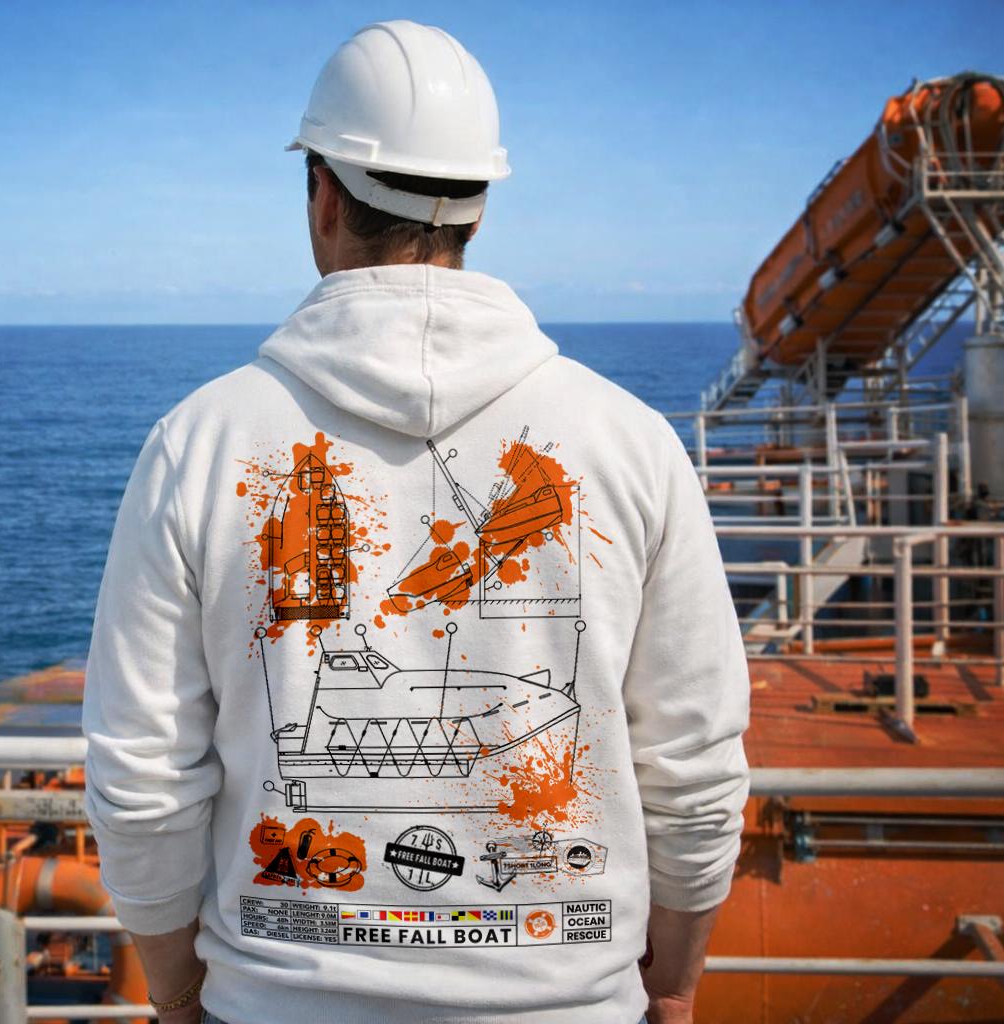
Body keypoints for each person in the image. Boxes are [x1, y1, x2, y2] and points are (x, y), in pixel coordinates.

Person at [83, 20, 749, 1024]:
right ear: (479, 205)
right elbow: (694, 772)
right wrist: (676, 985)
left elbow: (142, 783)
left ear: (320, 195)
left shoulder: (199, 442)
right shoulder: (633, 441)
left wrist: (178, 996)